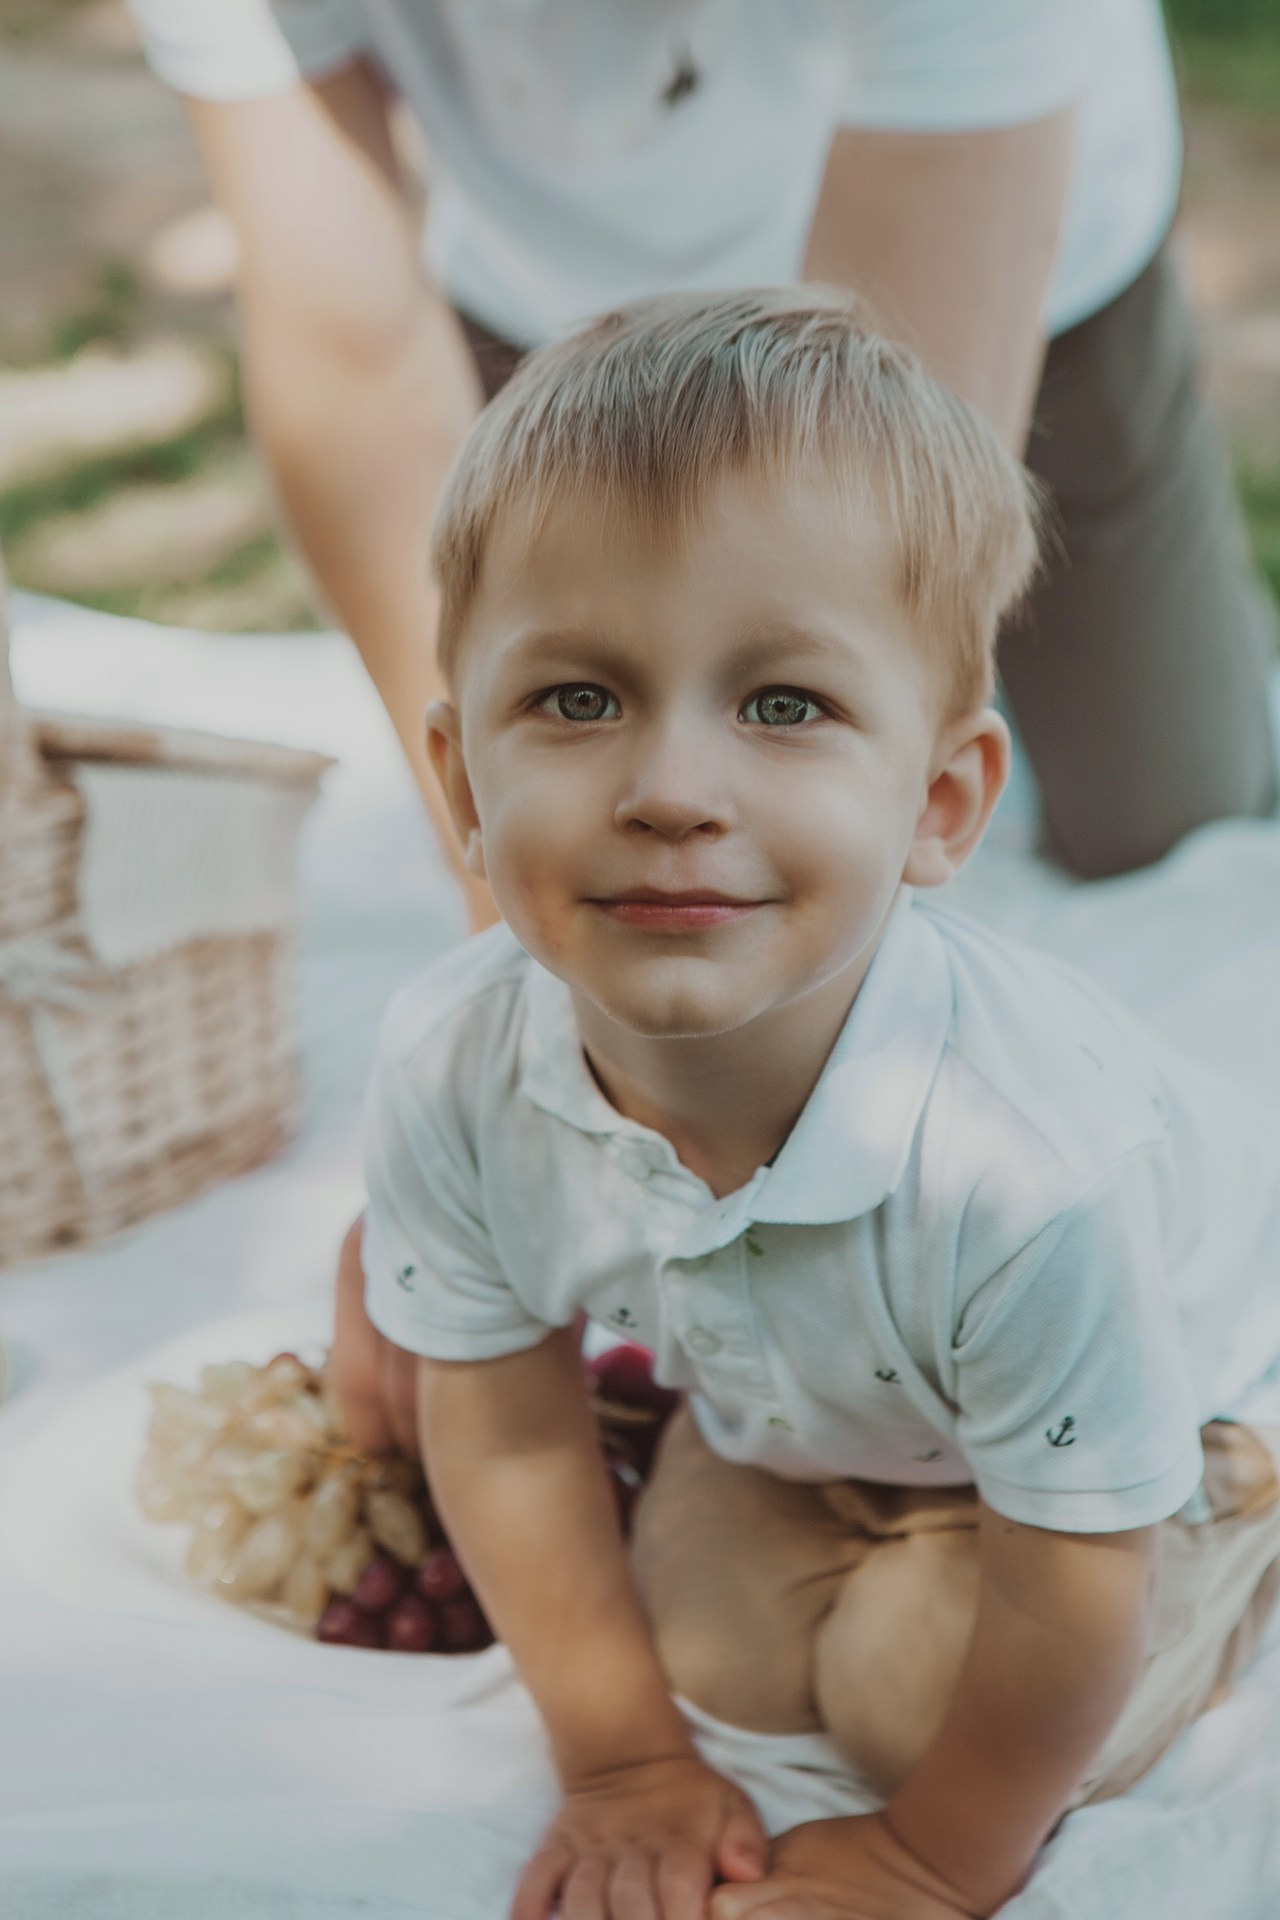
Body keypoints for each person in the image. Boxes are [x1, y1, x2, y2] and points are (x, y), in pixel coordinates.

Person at [353, 290, 1280, 1920]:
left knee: (915, 1709)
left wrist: (933, 1859)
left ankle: (1253, 1512)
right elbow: (497, 1414)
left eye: (784, 706)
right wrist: (625, 1761)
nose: (670, 792)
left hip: (1160, 1408)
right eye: (577, 699)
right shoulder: (452, 1062)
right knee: (704, 1653)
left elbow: (1068, 1573)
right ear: (458, 785)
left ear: (937, 804)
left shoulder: (1023, 1164)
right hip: (835, 1412)